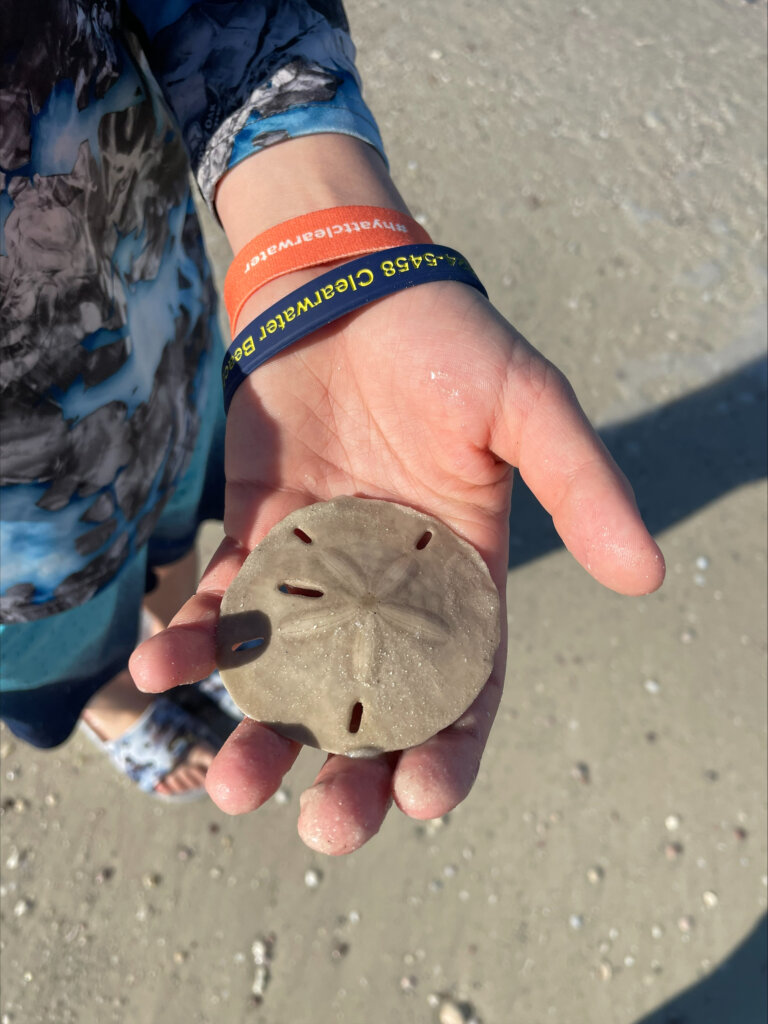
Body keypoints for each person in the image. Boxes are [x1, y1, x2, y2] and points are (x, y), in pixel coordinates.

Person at [0, 1, 665, 849]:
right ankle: (115, 703)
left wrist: (318, 241)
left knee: (183, 537)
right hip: (13, 549)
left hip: (161, 336)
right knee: (61, 639)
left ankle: (176, 621)